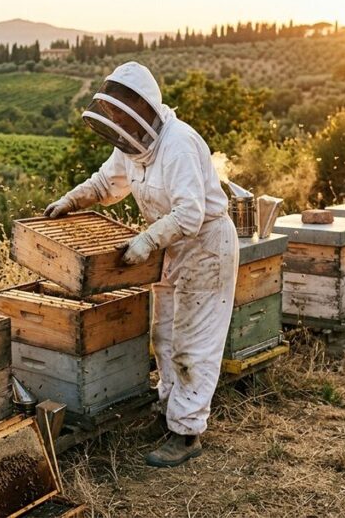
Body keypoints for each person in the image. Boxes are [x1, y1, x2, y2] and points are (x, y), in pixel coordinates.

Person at [44, 61, 238, 467]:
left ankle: (187, 435)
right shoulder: (132, 146)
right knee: (164, 334)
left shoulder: (179, 143)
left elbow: (190, 214)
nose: (121, 127)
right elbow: (104, 183)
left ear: (144, 108)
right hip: (170, 250)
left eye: (124, 117)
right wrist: (71, 200)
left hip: (205, 247)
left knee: (193, 342)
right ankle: (171, 411)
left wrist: (148, 240)